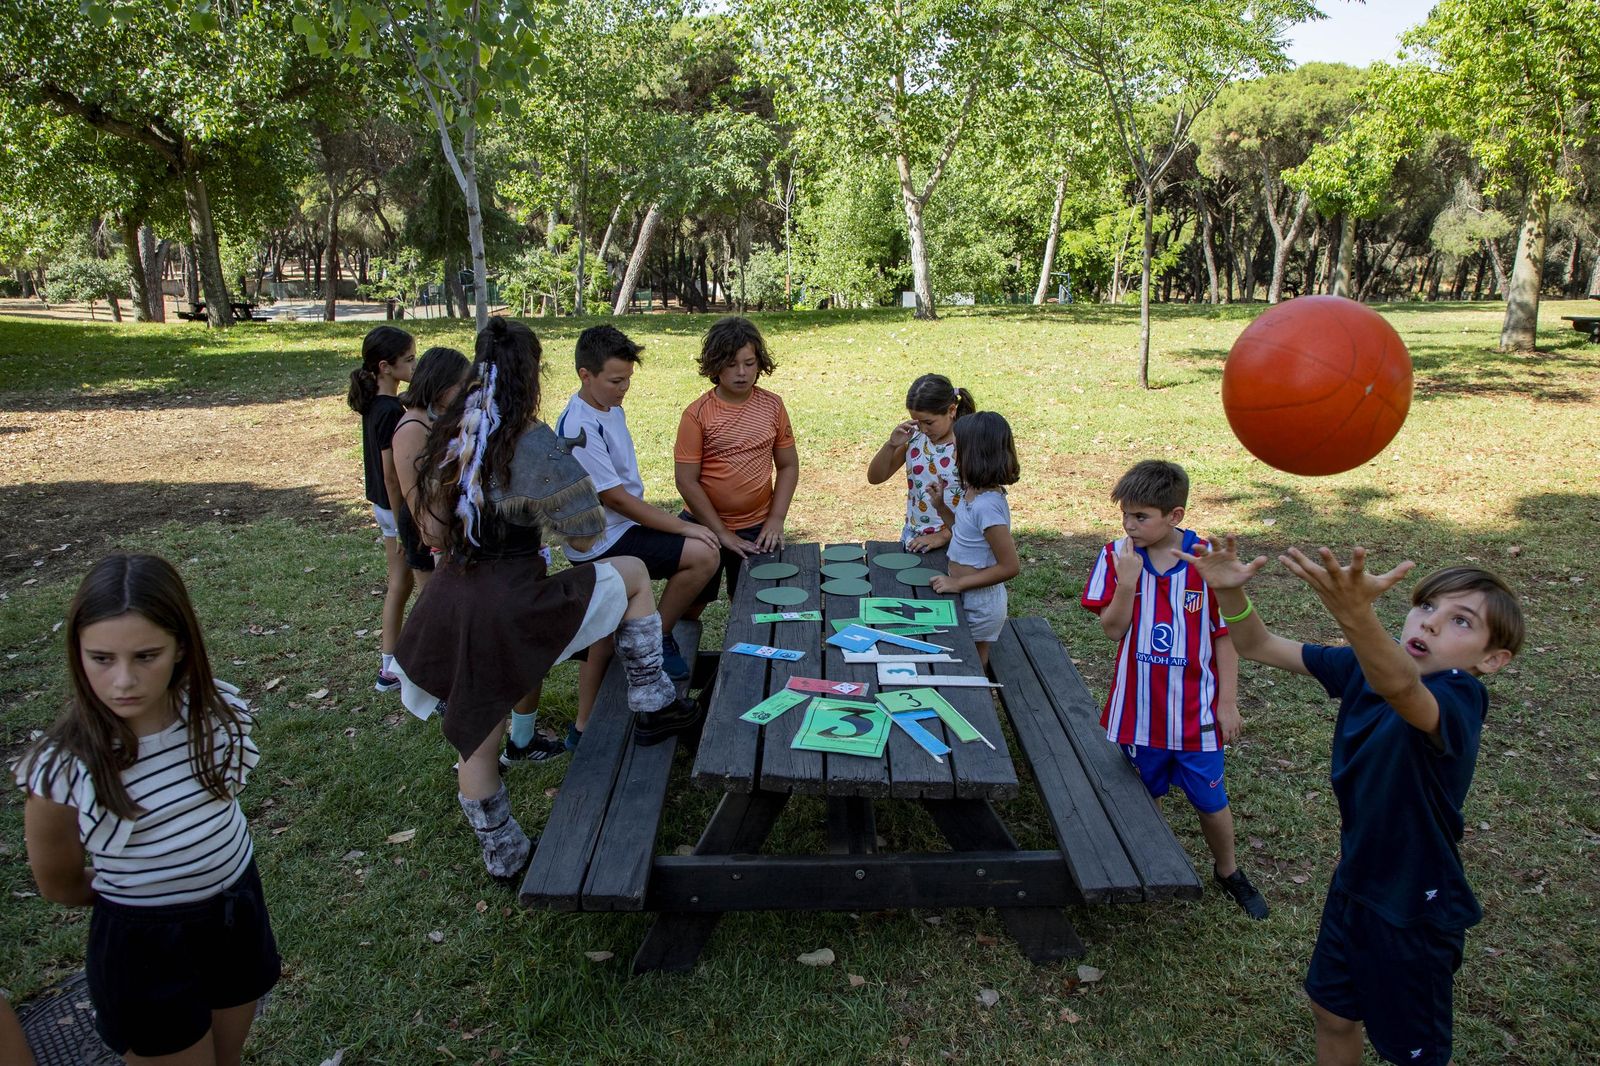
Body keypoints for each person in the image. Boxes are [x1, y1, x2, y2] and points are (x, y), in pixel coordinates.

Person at [1182, 538, 1522, 1066]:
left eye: (1461, 622)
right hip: (1356, 881)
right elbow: (1259, 645)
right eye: (1427, 606)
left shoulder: (1461, 697)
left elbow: (1405, 692)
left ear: (1492, 659)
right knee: (1333, 1012)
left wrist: (1355, 615)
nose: (1430, 623)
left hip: (1415, 908)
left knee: (1413, 1055)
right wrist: (1231, 595)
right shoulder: (1366, 666)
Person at [394, 317, 701, 883]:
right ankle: (652, 701)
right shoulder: (531, 439)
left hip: (451, 601)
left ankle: (504, 857)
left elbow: (433, 533)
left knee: (477, 745)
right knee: (632, 573)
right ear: (531, 374)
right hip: (512, 599)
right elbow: (585, 535)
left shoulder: (447, 435)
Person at [14, 554, 279, 1066]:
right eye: (102, 659)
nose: (123, 682)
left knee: (228, 1055)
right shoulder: (63, 767)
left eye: (146, 656)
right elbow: (60, 883)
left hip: (236, 913)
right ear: (77, 652)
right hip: (146, 947)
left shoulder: (214, 714)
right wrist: (148, 890)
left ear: (181, 646)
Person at [1079, 460, 1267, 920]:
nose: (1129, 525)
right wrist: (1127, 584)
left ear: (1175, 516)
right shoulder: (1115, 557)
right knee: (1144, 796)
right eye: (1125, 515)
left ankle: (1228, 871)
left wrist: (1226, 703)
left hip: (1195, 715)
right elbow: (1112, 630)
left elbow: (1225, 637)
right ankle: (1144, 863)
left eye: (1141, 516)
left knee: (1211, 801)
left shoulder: (1207, 561)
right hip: (1137, 713)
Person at [555, 324, 719, 748]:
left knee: (605, 635)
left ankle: (582, 729)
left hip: (618, 531)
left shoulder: (608, 408)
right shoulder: (580, 426)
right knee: (702, 553)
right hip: (603, 543)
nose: (623, 388)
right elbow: (617, 500)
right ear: (584, 375)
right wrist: (684, 524)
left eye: (627, 378)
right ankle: (656, 638)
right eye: (615, 380)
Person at [674, 315, 798, 605]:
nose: (741, 373)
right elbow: (686, 480)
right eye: (731, 365)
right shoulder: (697, 414)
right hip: (702, 527)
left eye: (749, 363)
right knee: (692, 602)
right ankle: (674, 645)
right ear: (715, 365)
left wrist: (776, 519)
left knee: (753, 602)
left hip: (758, 528)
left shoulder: (772, 405)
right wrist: (720, 532)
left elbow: (788, 465)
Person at [348, 324, 417, 694]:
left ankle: (389, 666)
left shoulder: (376, 402)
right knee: (405, 585)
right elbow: (393, 477)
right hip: (396, 508)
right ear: (385, 366)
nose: (414, 364)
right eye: (408, 359)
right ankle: (393, 667)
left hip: (382, 507)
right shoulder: (390, 410)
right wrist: (406, 523)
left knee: (399, 584)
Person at [926, 411, 1019, 668]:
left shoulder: (988, 506)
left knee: (973, 662)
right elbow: (965, 534)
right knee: (959, 656)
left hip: (981, 601)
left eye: (957, 449)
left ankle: (979, 701)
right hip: (965, 590)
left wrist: (959, 584)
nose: (953, 455)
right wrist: (941, 507)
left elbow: (1010, 566)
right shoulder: (972, 493)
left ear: (975, 454)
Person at [865, 373, 975, 552]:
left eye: (929, 422)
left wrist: (944, 535)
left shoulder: (968, 443)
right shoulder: (916, 438)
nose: (923, 428)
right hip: (915, 536)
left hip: (957, 538)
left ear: (951, 411)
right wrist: (891, 445)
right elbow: (876, 477)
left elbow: (978, 502)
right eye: (918, 422)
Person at [392, 346, 471, 593]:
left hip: (448, 525)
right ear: (441, 385)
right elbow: (413, 493)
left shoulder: (442, 417)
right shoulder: (412, 428)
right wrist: (435, 539)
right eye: (461, 385)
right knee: (434, 605)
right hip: (426, 531)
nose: (466, 392)